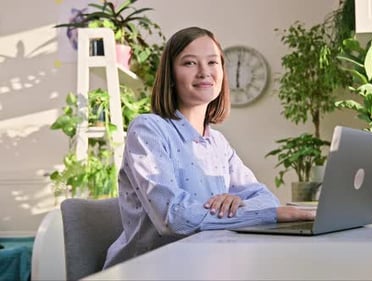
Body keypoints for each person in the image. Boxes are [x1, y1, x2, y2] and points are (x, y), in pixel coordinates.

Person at [103, 26, 315, 268]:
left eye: (213, 62)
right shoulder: (148, 129)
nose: (204, 72)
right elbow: (174, 217)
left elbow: (266, 198)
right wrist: (272, 215)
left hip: (204, 264)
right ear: (171, 76)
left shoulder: (218, 143)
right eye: (190, 63)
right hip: (146, 270)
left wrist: (237, 203)